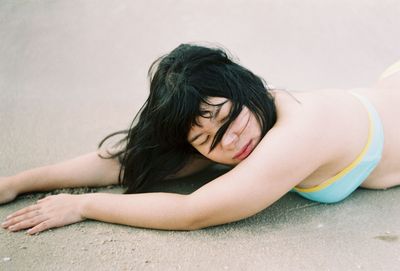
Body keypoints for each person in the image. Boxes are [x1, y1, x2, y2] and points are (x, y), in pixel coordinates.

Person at [1, 43, 399, 234]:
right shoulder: (243, 121)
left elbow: (194, 212)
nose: (227, 143)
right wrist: (19, 182)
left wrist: (85, 205)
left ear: (247, 90)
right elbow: (140, 159)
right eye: (204, 138)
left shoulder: (299, 133)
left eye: (229, 120)